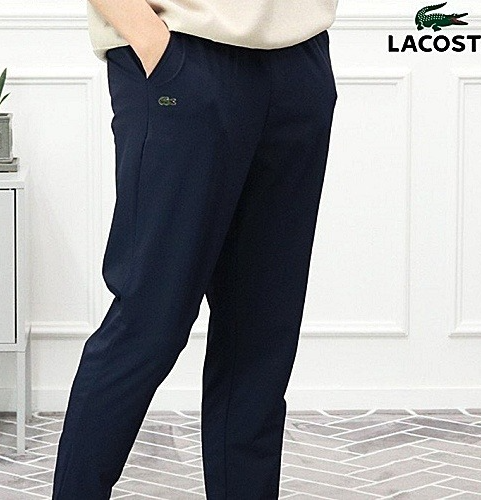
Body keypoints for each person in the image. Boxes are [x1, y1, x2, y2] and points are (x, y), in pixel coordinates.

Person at [52, 0, 339, 498]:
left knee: (261, 336)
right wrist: (152, 42)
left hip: (299, 60)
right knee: (149, 321)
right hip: (182, 54)